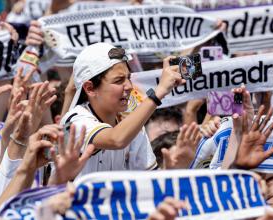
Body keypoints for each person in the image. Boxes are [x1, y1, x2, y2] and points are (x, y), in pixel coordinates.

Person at [60, 42, 185, 178]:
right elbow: (116, 139)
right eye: (119, 80)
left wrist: (175, 169)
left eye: (129, 78)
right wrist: (159, 92)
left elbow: (149, 180)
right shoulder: (75, 120)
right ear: (90, 88)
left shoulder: (131, 124)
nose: (129, 86)